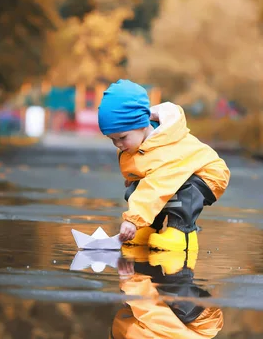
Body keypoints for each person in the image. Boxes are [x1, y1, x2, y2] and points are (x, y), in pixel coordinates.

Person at [98, 79, 230, 251]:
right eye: (112, 139)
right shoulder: (138, 142)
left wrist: (133, 220)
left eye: (122, 138)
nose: (118, 144)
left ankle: (182, 234)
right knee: (138, 190)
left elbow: (156, 186)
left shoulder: (165, 148)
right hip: (176, 174)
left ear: (142, 125)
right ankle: (149, 228)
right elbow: (145, 172)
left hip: (208, 174)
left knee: (180, 192)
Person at [112, 249, 224, 338]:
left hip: (156, 321)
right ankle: (181, 229)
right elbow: (159, 321)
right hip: (198, 323)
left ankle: (146, 234)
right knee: (175, 297)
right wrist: (133, 286)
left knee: (136, 272)